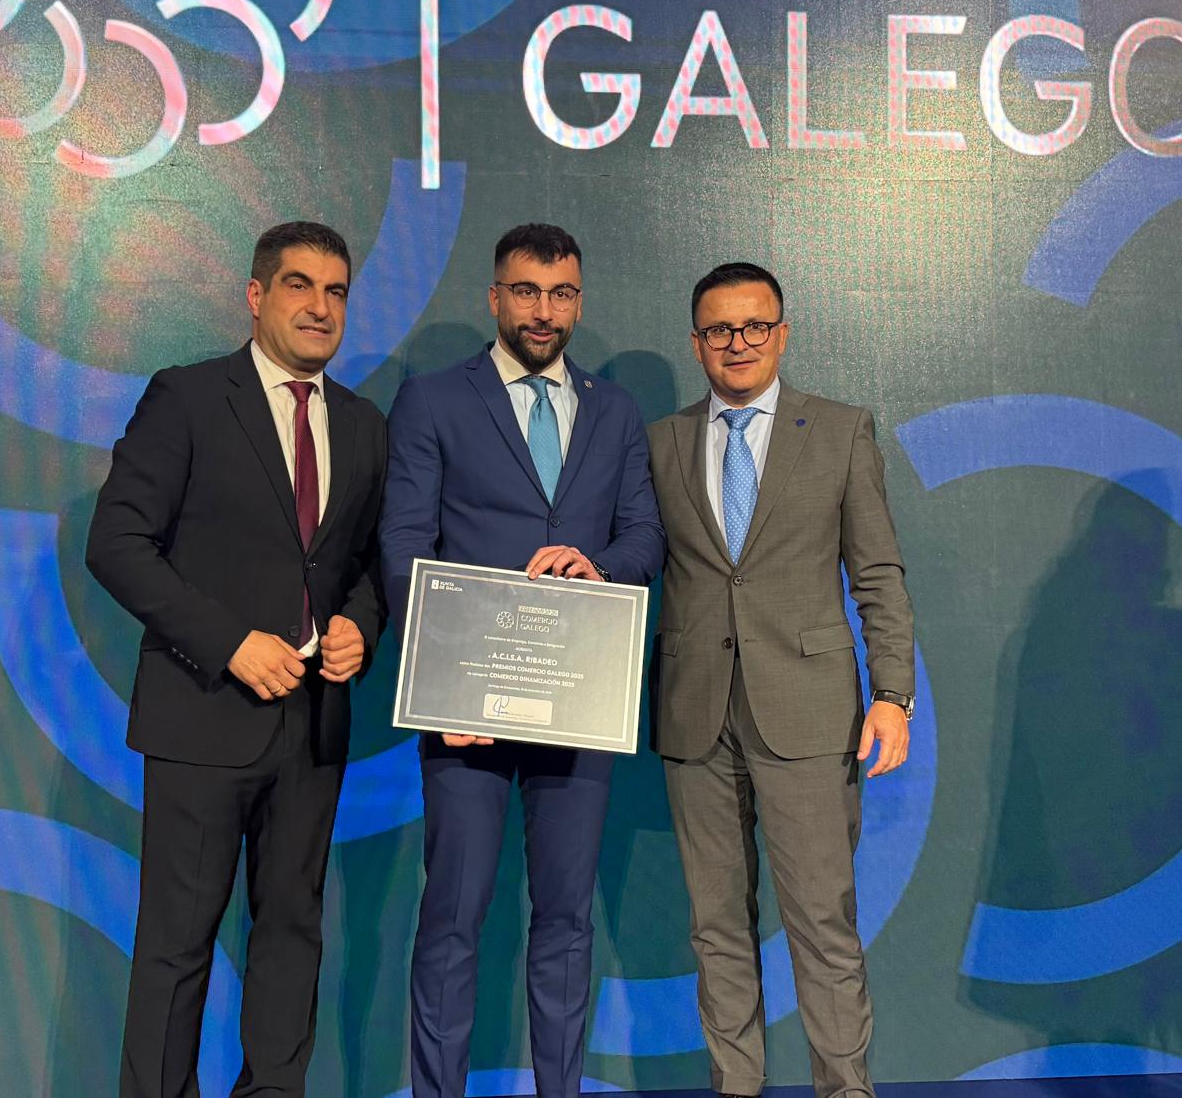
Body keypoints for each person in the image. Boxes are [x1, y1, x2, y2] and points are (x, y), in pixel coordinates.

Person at [86, 221, 387, 1098]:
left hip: (313, 728)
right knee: (176, 945)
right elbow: (117, 543)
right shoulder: (186, 398)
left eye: (336, 291)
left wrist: (359, 625)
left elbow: (371, 563)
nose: (320, 306)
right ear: (256, 296)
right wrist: (229, 644)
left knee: (292, 935)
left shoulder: (364, 425)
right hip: (202, 716)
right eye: (300, 285)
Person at [381, 223, 666, 1098]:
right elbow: (403, 545)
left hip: (576, 699)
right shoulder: (433, 399)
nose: (545, 310)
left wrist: (598, 568)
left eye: (562, 293)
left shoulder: (615, 411)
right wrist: (440, 689)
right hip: (466, 710)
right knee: (452, 918)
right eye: (527, 291)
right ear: (495, 297)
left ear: (578, 301)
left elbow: (644, 535)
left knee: (568, 921)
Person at [647, 261, 915, 1098]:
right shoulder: (660, 441)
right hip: (694, 715)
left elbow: (878, 572)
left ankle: (845, 1089)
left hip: (810, 712)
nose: (738, 342)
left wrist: (893, 695)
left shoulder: (839, 430)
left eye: (754, 326)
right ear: (697, 343)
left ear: (782, 334)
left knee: (822, 923)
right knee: (715, 925)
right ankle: (737, 1084)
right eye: (719, 329)